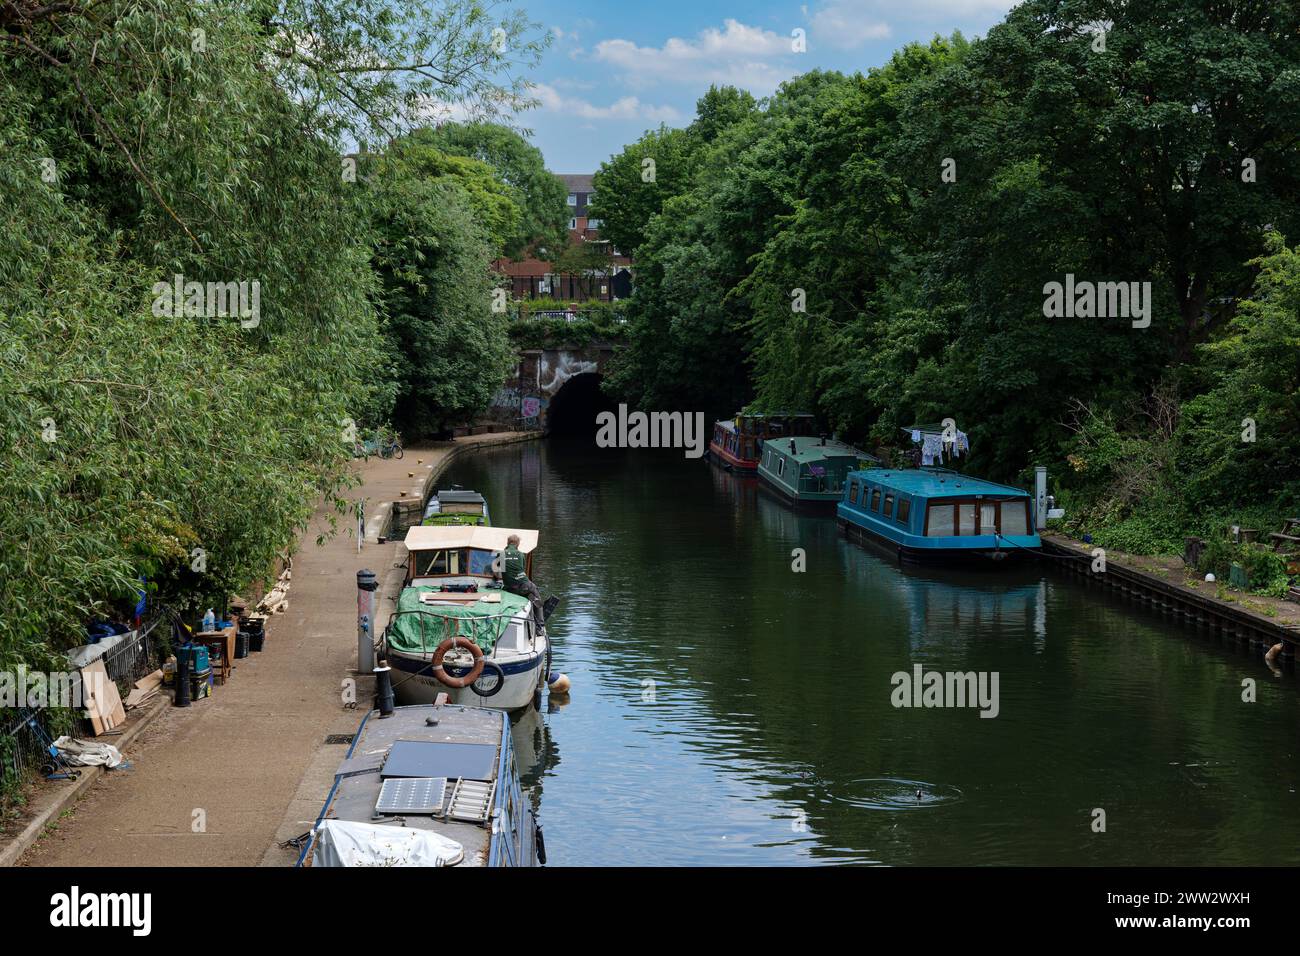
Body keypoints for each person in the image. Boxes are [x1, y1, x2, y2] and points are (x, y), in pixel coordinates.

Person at [495, 534, 546, 630]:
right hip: (524, 585)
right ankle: (540, 626)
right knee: (536, 596)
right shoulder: (521, 554)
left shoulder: (501, 554)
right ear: (517, 544)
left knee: (524, 592)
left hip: (510, 589)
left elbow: (497, 570)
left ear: (508, 543)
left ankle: (530, 603)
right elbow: (522, 569)